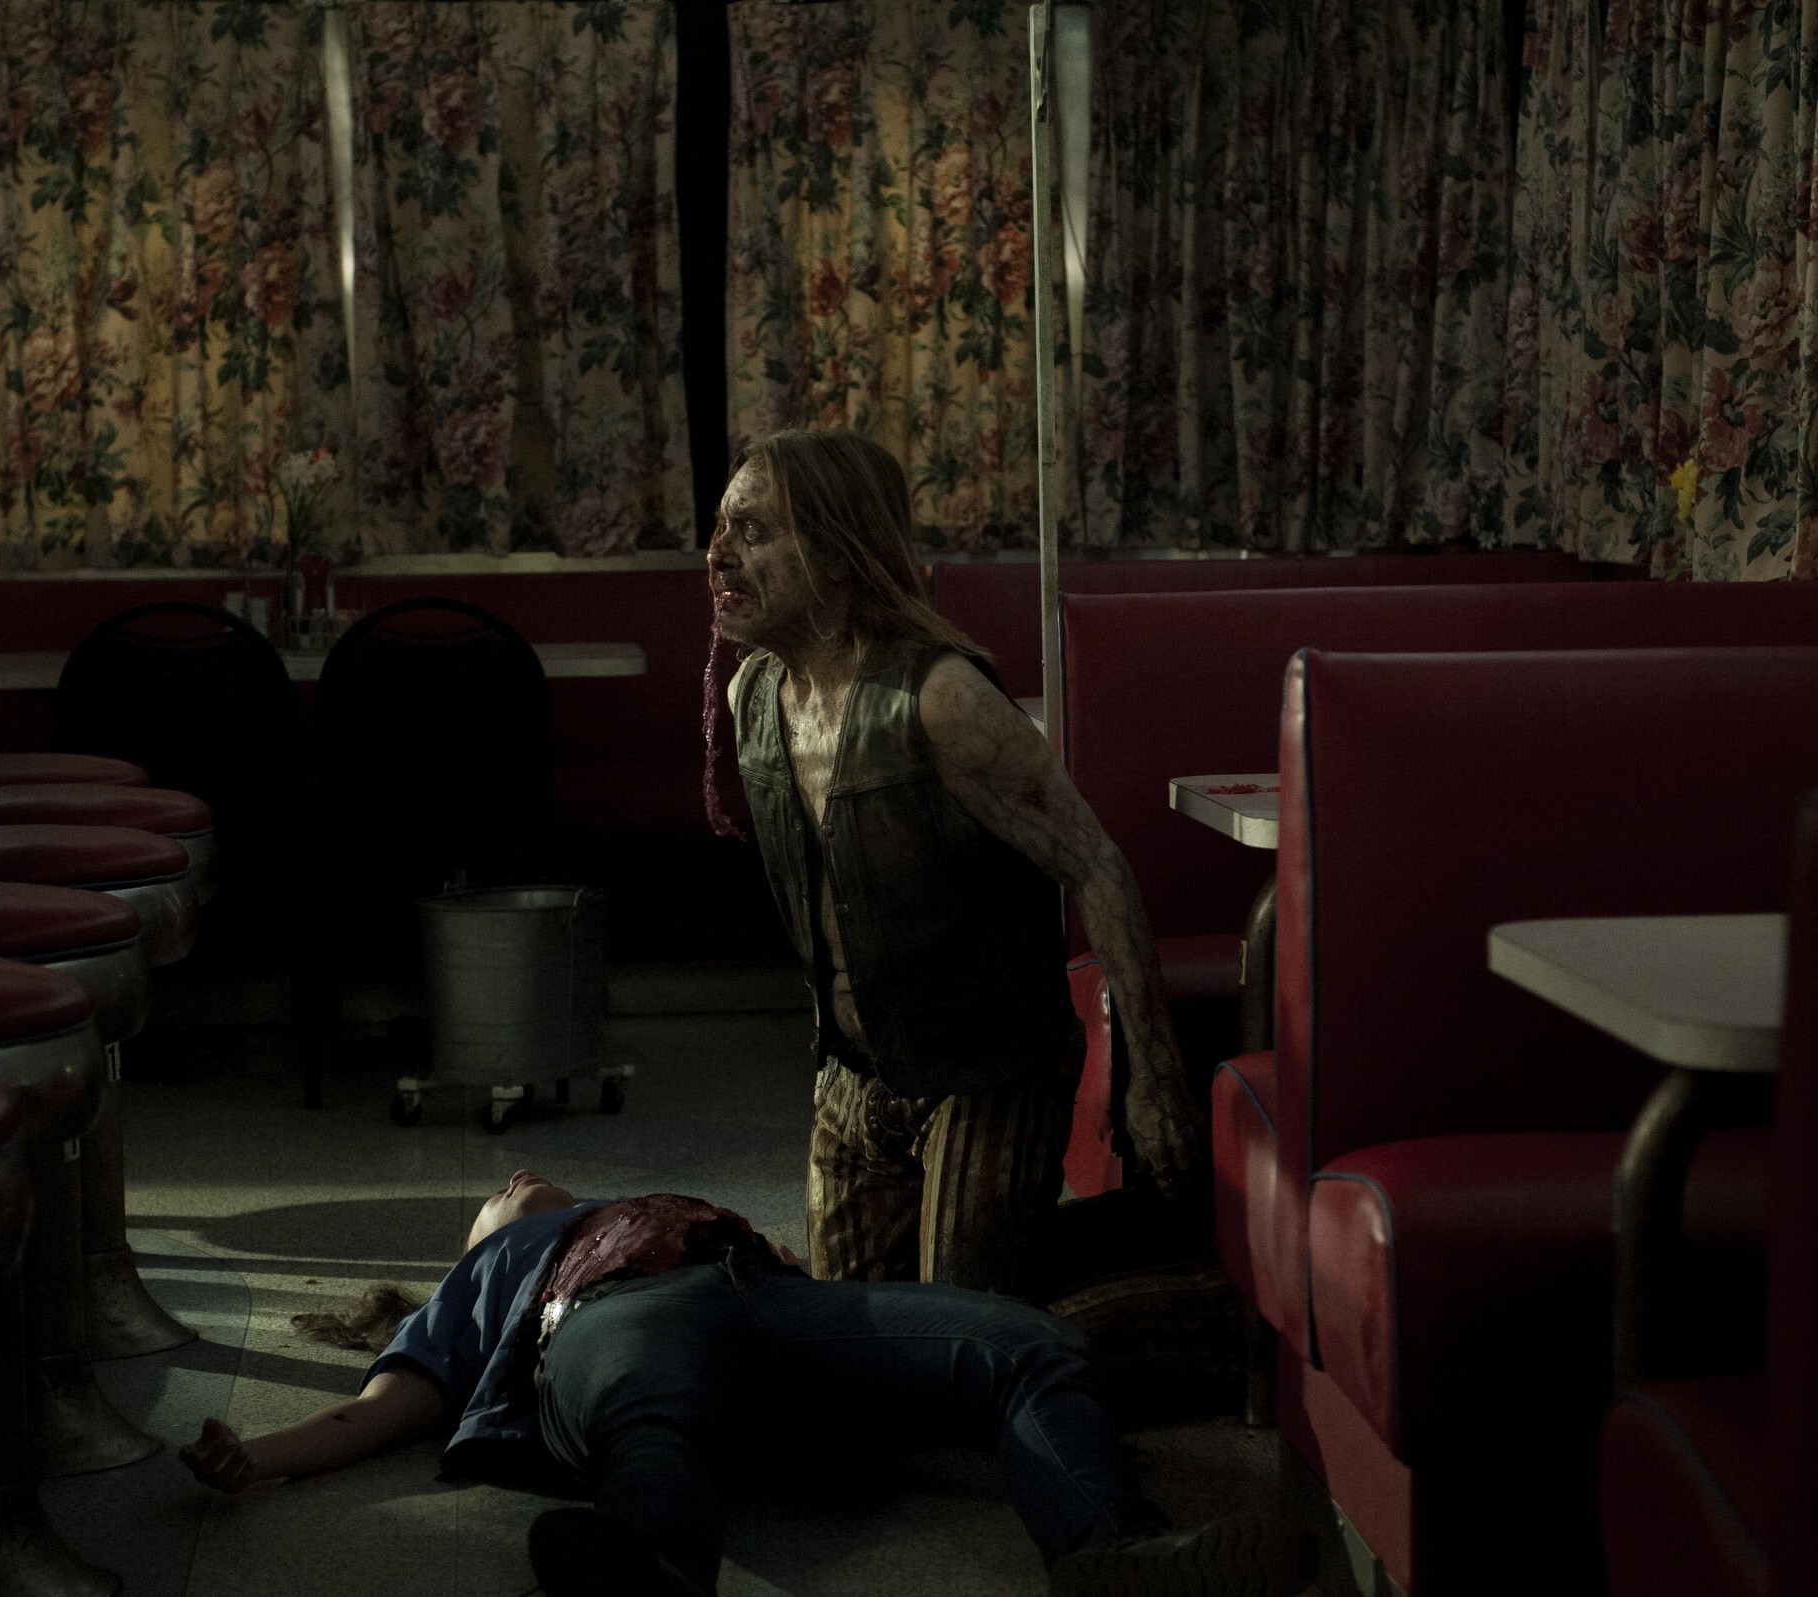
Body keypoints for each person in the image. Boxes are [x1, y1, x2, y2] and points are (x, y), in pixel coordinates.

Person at [180, 1171, 1310, 1597]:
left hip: (771, 1310)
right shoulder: (488, 1276)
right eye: (497, 1191)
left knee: (1023, 1342)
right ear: (478, 1237)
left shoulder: (658, 1203)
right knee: (649, 1408)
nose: (519, 1175)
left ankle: (1114, 1552)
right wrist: (254, 1455)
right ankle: (657, 1564)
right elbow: (377, 1410)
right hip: (617, 1322)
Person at [710, 429, 1203, 1294]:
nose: (718, 555)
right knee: (851, 1346)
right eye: (720, 528)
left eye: (752, 531)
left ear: (835, 552)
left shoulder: (939, 698)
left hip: (986, 1075)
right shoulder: (752, 693)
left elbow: (1096, 864)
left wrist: (1153, 1080)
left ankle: (1183, 1287)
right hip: (852, 1075)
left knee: (962, 1332)